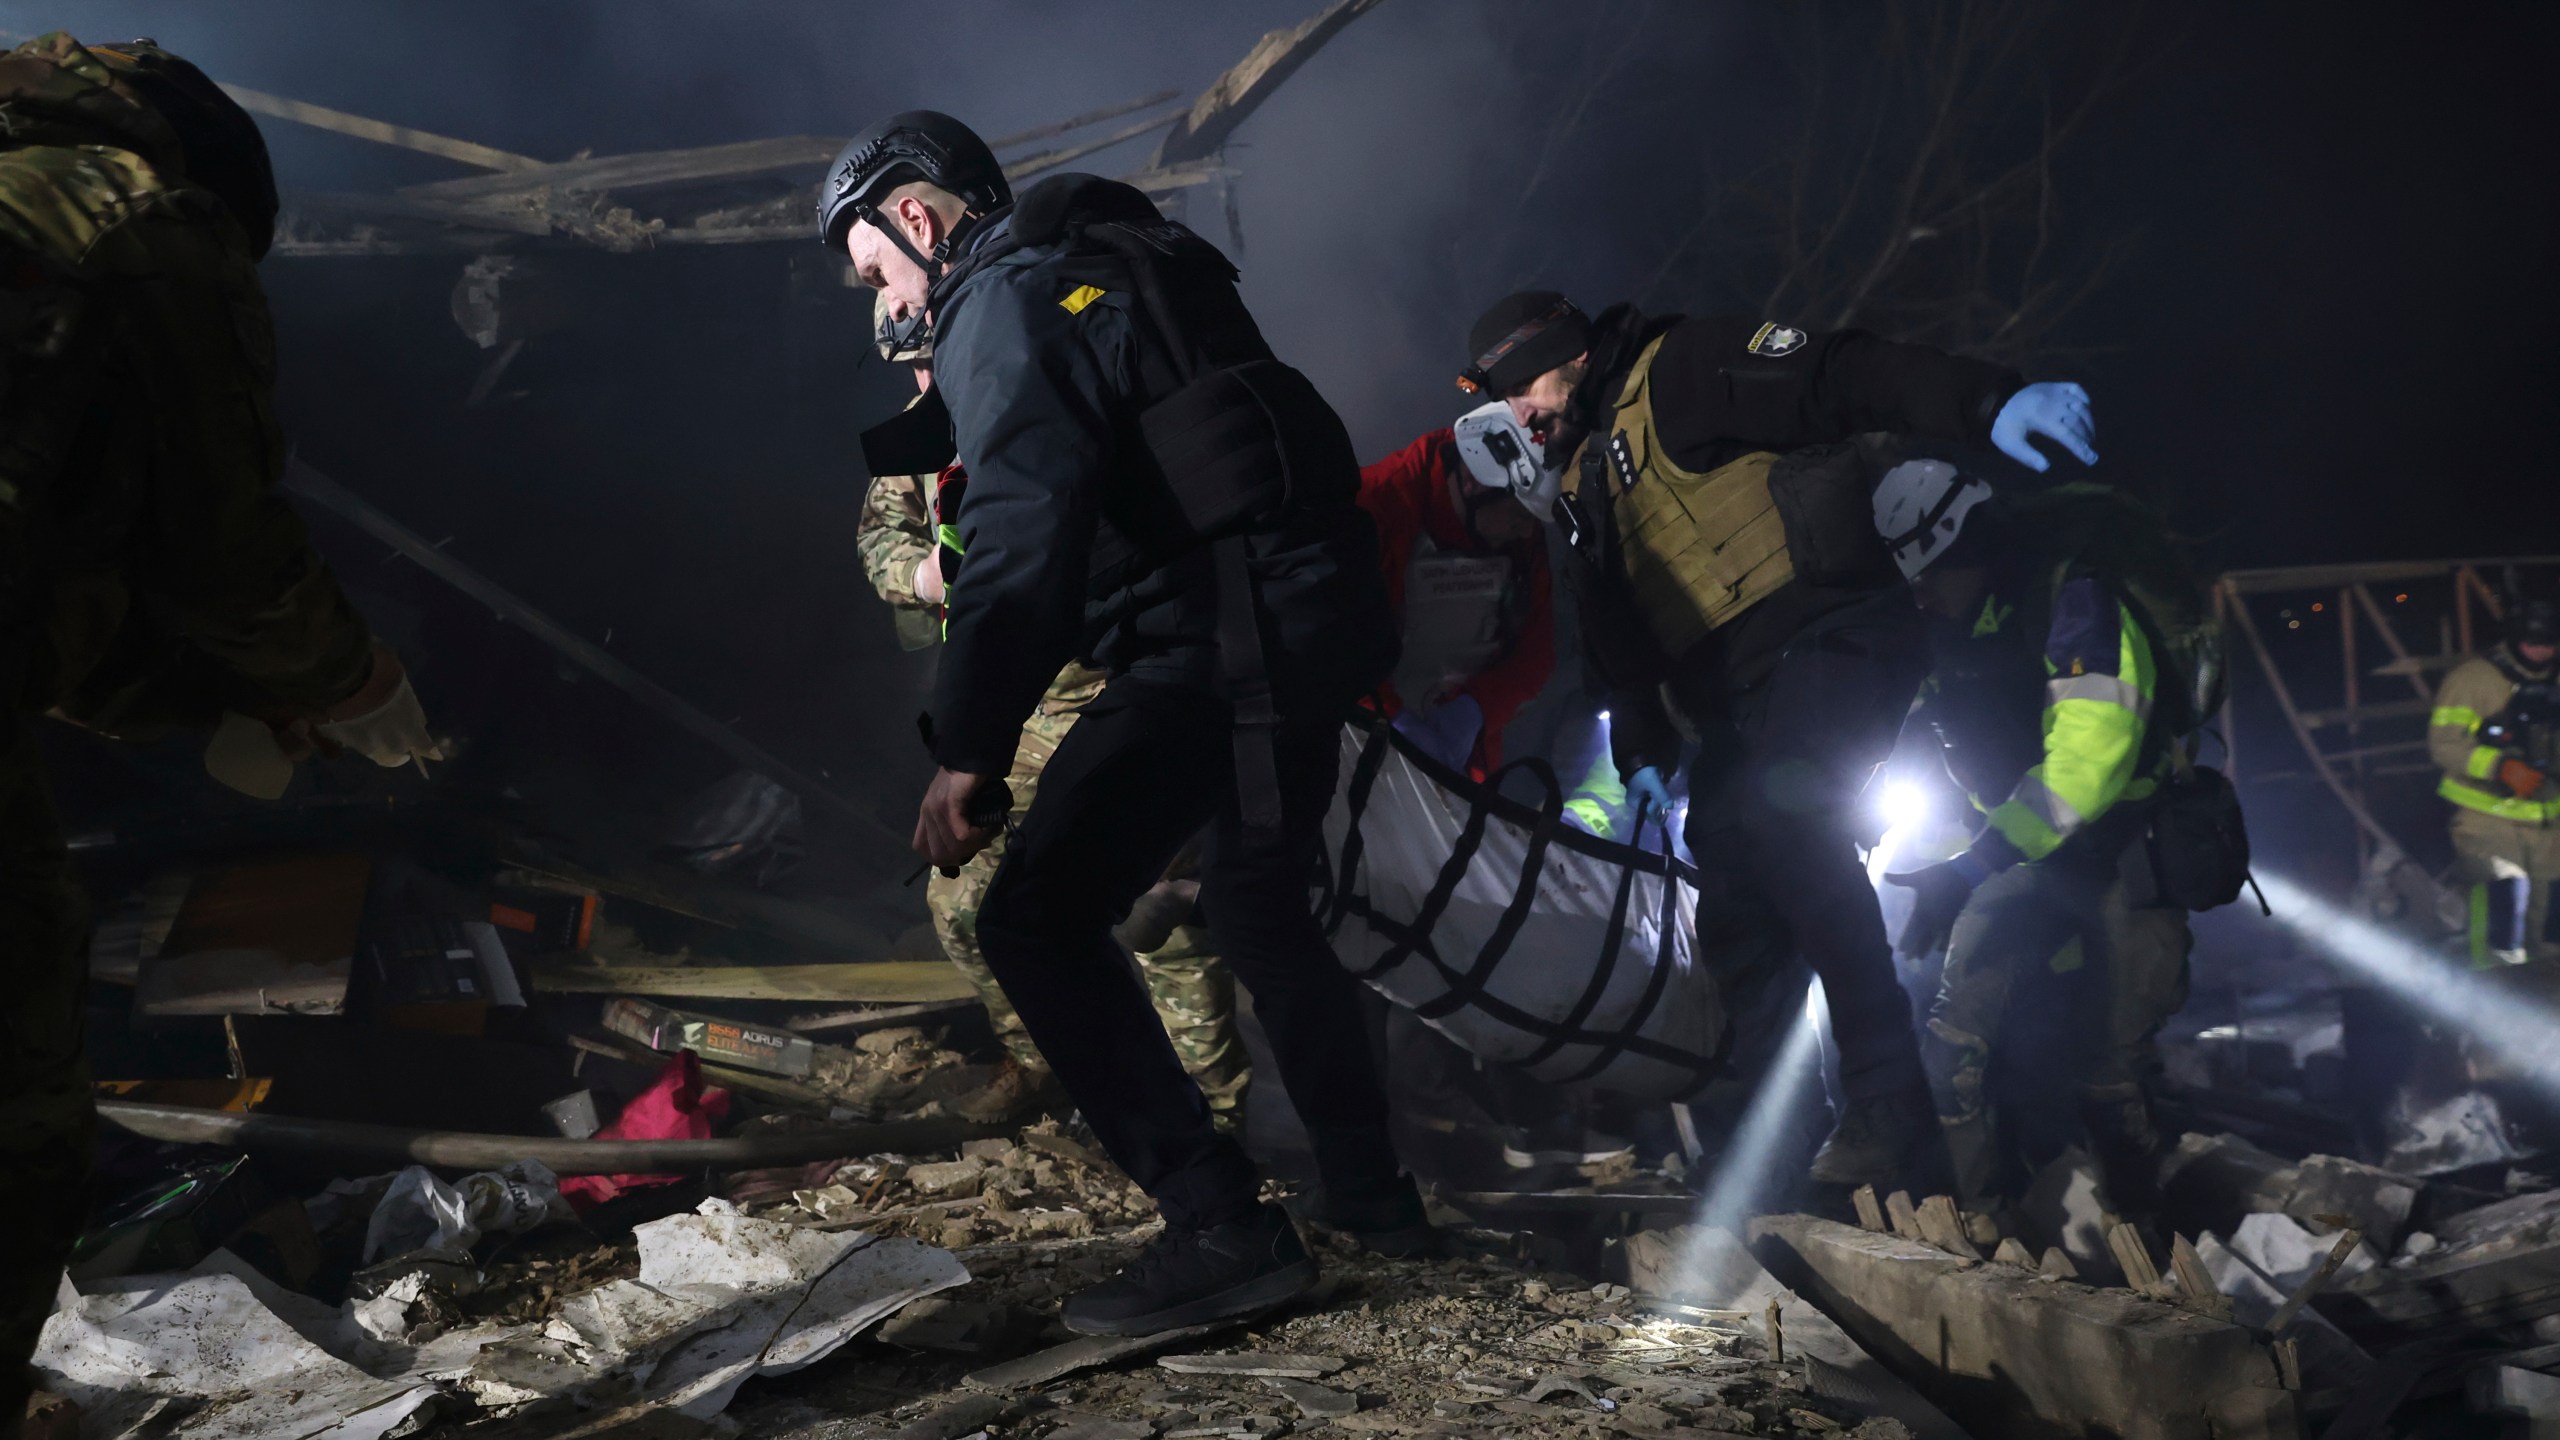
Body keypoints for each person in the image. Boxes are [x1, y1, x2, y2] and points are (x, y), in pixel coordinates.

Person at [823, 111, 1414, 1337]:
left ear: (916, 220)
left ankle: (1222, 1228)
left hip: (1215, 641)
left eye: (871, 265)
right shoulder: (1126, 265)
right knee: (1258, 908)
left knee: (1031, 917)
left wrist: (969, 747)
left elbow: (1021, 538)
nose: (875, 298)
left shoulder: (1005, 300)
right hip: (1304, 620)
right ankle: (1376, 1200)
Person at [0, 33, 440, 1421]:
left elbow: (49, 602)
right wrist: (346, 679)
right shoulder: (132, 218)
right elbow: (225, 549)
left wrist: (213, 709)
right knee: (16, 1100)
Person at [1468, 288, 2100, 1187]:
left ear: (1566, 349)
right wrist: (1643, 746)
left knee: (1786, 815)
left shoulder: (1679, 371)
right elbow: (1612, 631)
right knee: (1732, 887)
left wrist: (1986, 403)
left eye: (1521, 382)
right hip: (1739, 696)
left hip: (1838, 633)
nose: (1520, 408)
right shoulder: (1581, 481)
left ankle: (1890, 1101)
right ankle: (1765, 1155)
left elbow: (1839, 375)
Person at [852, 292, 1251, 1128]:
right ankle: (1045, 1064)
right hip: (1014, 710)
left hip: (1115, 686)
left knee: (1159, 916)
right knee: (960, 904)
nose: (927, 382)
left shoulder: (1043, 405)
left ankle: (1215, 1116)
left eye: (933, 362)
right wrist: (925, 576)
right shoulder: (919, 434)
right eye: (914, 370)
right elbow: (878, 540)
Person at [1872, 464, 2204, 1210]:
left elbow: (2091, 756)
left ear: (1975, 549)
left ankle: (2145, 1242)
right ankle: (1983, 1238)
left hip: (2127, 853)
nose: (1922, 593)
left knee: (2110, 1077)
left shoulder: (2075, 600)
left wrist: (1972, 867)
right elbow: (1922, 739)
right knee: (1950, 1052)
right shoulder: (1941, 633)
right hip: (2019, 856)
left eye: (1932, 574)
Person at [1356, 400, 1556, 774]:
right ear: (1472, 482)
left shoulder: (1520, 537)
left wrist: (1476, 710)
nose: (1527, 532)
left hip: (1461, 765)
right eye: (1519, 517)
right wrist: (1389, 717)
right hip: (1355, 744)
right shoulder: (1374, 506)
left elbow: (1536, 654)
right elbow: (1323, 639)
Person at [2430, 598, 2560, 969]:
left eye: (2550, 643)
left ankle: (2543, 995)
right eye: (2535, 642)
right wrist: (2500, 767)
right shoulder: (2473, 680)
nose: (2542, 651)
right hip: (2487, 816)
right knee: (2503, 900)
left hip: (2548, 816)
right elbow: (2444, 745)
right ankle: (2492, 991)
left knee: (2548, 913)